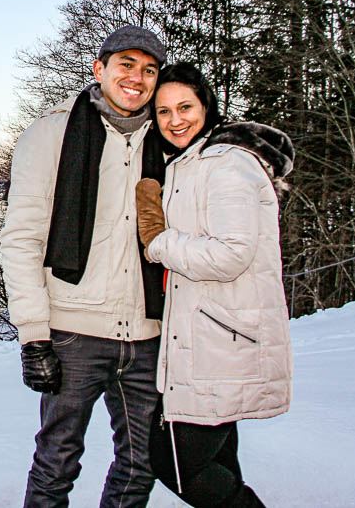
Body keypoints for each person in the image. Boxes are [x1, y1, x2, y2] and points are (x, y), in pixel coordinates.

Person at [1, 25, 170, 507]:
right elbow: (22, 238)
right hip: (74, 332)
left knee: (141, 464)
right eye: (126, 65)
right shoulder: (52, 132)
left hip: (148, 333)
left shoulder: (169, 139)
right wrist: (34, 333)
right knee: (57, 461)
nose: (137, 78)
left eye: (149, 70)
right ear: (100, 69)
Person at [134, 62, 294, 508]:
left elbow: (229, 255)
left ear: (207, 105)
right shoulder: (190, 162)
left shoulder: (227, 163)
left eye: (185, 107)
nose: (175, 120)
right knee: (220, 464)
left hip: (219, 340)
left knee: (177, 466)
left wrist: (159, 242)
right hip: (212, 338)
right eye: (163, 112)